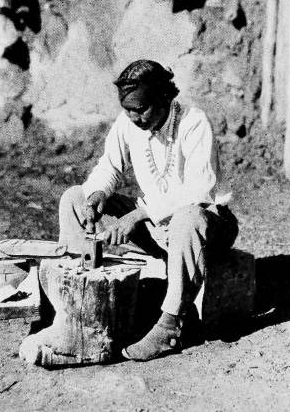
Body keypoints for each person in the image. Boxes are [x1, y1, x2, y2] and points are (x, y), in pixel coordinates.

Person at [58, 59, 238, 361]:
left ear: (164, 97)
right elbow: (109, 166)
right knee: (74, 198)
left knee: (187, 217)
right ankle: (79, 300)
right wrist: (98, 194)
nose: (134, 117)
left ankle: (170, 326)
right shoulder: (128, 122)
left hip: (206, 226)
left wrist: (138, 214)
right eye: (128, 109)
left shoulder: (194, 121)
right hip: (158, 228)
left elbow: (200, 189)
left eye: (141, 109)